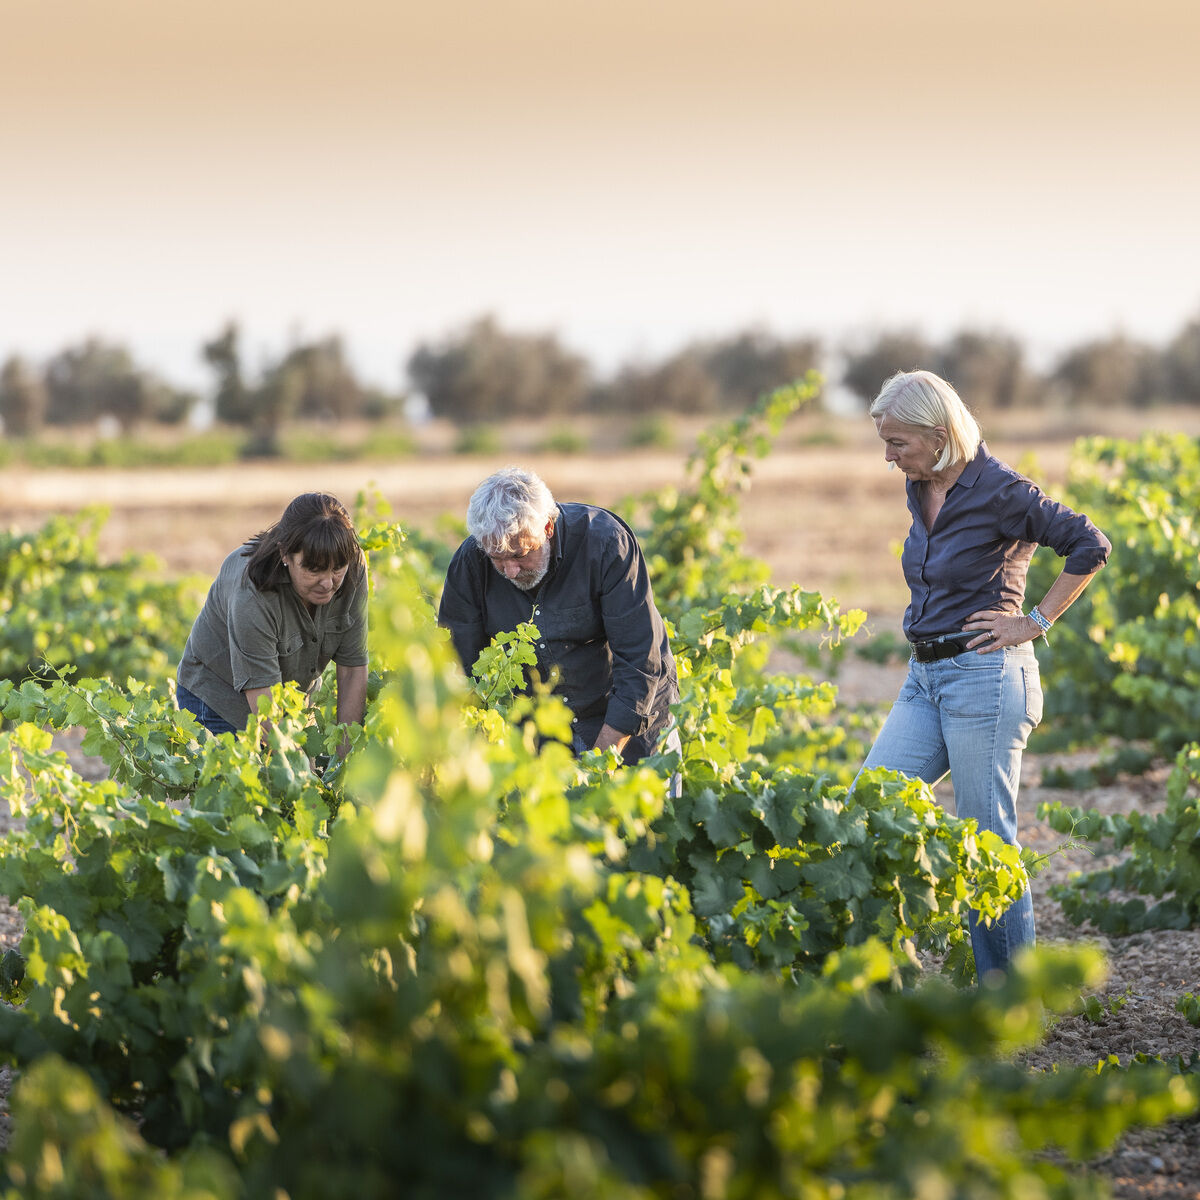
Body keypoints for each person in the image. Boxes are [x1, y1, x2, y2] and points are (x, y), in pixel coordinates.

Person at [858, 370, 1111, 980]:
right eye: (885, 444)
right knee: (872, 807)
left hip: (986, 678)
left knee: (986, 842)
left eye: (899, 444)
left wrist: (1035, 620)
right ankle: (885, 975)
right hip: (925, 678)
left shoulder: (1002, 491)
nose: (889, 459)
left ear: (939, 432)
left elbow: (1089, 544)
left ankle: (1009, 998)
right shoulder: (921, 488)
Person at [438, 466, 679, 767]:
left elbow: (640, 662)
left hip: (628, 720)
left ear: (548, 528)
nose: (509, 571)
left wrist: (596, 765)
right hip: (542, 735)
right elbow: (459, 667)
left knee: (641, 812)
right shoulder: (470, 563)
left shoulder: (606, 545)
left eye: (519, 555)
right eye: (497, 559)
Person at [176, 492, 369, 749]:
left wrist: (347, 765)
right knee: (263, 783)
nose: (328, 582)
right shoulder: (252, 594)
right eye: (314, 570)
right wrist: (299, 772)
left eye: (337, 569)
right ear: (285, 555)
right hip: (217, 700)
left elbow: (353, 669)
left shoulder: (353, 564)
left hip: (290, 701)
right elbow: (266, 709)